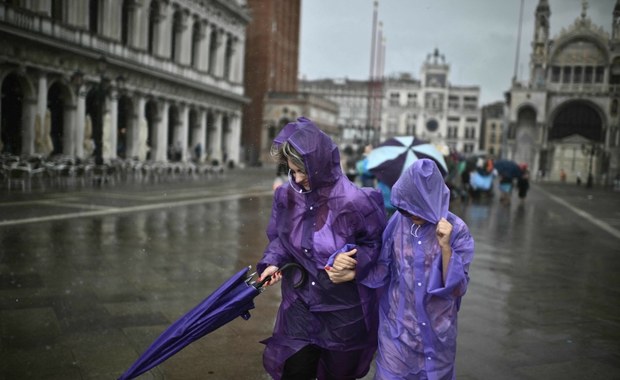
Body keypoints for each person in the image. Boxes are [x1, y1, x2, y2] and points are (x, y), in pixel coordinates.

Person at [257, 116, 387, 380]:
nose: (297, 178)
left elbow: (374, 243)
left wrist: (355, 264)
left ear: (318, 165)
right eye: (291, 171)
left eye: (301, 170)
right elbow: (281, 239)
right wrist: (273, 261)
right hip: (299, 306)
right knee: (296, 370)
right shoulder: (287, 197)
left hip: (342, 312)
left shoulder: (356, 201)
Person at [360, 158, 475, 380]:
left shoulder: (457, 230)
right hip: (396, 332)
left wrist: (445, 248)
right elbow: (382, 265)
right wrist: (353, 268)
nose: (412, 212)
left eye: (419, 204)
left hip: (437, 336)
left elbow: (457, 289)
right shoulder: (397, 222)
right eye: (407, 203)